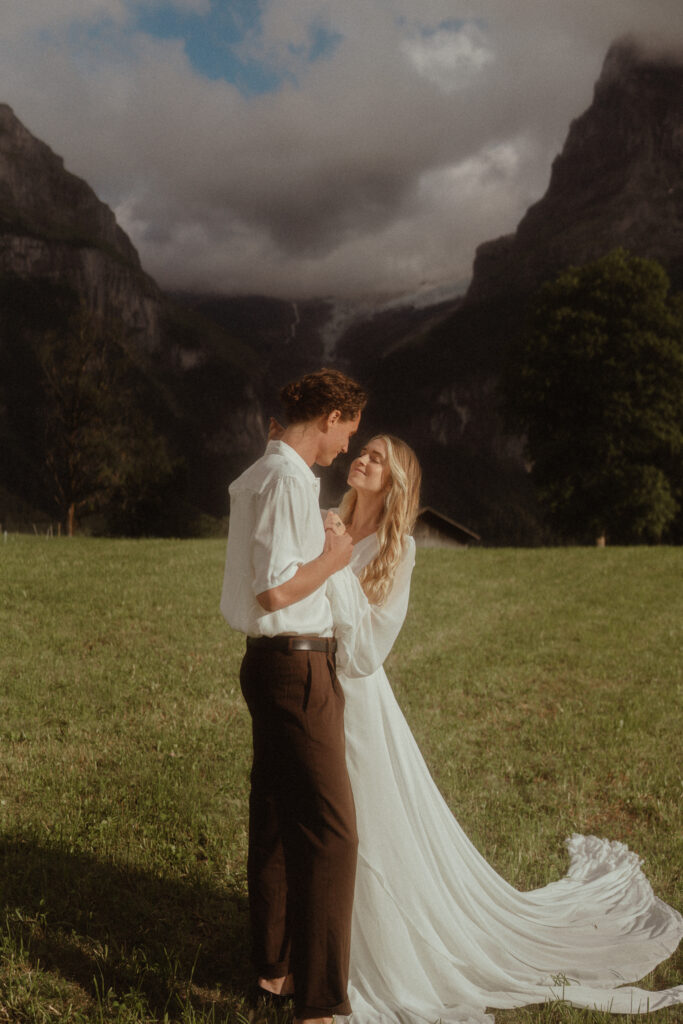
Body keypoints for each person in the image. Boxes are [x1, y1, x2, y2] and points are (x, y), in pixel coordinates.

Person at [324, 434, 683, 1024]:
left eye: (378, 458)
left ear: (395, 483)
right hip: (311, 684)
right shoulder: (325, 524)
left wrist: (335, 570)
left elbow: (370, 651)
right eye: (361, 450)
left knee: (368, 822)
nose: (362, 458)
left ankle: (377, 950)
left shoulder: (399, 549)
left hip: (358, 699)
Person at [220, 368, 367, 1024]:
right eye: (348, 432)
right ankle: (320, 1004)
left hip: (268, 664)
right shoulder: (284, 479)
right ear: (331, 415)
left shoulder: (265, 472)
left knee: (278, 823)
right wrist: (335, 560)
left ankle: (274, 975)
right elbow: (275, 589)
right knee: (334, 837)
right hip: (297, 669)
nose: (345, 448)